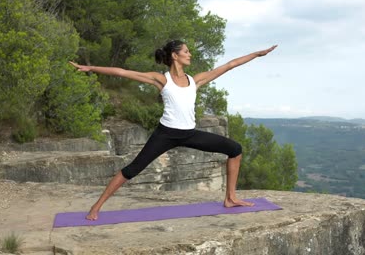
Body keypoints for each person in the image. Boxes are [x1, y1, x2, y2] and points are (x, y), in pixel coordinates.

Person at [69, 40, 277, 220]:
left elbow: (230, 65)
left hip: (189, 133)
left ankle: (231, 197)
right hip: (166, 134)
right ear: (174, 56)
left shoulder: (195, 80)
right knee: (132, 170)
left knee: (235, 149)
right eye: (186, 51)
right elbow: (124, 72)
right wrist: (91, 68)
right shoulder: (161, 79)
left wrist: (257, 54)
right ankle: (96, 207)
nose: (190, 54)